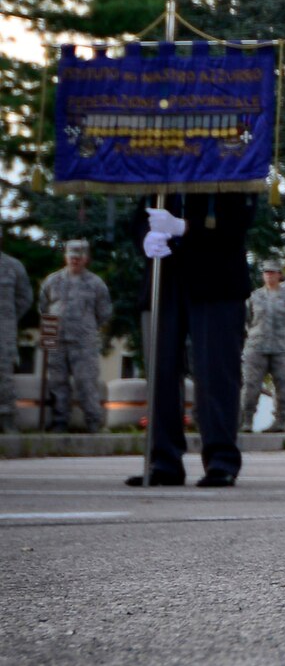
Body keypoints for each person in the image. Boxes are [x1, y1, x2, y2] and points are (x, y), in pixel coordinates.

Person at [127, 193, 255, 486]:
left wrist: (186, 227)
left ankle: (221, 460)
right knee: (160, 373)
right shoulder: (161, 166)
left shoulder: (228, 164)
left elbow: (240, 219)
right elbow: (139, 216)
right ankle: (163, 460)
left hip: (216, 279)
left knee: (216, 374)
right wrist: (146, 238)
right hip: (164, 277)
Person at [39, 240, 113, 433]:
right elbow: (43, 308)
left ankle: (93, 422)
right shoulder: (52, 281)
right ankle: (59, 421)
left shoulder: (96, 284)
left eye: (79, 257)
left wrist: (86, 327)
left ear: (86, 258)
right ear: (66, 257)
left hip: (83, 342)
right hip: (57, 341)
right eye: (71, 256)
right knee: (57, 382)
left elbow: (104, 313)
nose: (75, 260)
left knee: (86, 382)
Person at [239, 258, 285, 433]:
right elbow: (247, 320)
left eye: (273, 272)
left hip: (282, 347)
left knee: (284, 385)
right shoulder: (255, 296)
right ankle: (247, 420)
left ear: (280, 275)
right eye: (266, 272)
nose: (269, 275)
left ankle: (281, 420)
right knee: (251, 384)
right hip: (257, 347)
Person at [0, 245, 30, 432]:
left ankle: (6, 418)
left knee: (4, 373)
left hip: (4, 330)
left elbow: (25, 297)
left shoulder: (13, 266)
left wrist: (8, 317)